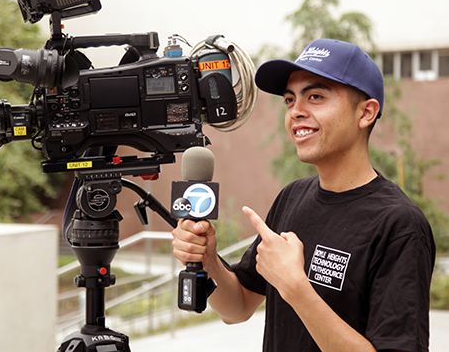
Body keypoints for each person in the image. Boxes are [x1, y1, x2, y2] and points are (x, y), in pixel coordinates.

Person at [172, 39, 436, 352]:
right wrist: (207, 260)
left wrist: (296, 288)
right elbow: (238, 307)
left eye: (315, 97)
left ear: (366, 113)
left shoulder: (399, 225)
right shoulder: (292, 198)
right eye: (289, 100)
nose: (296, 112)